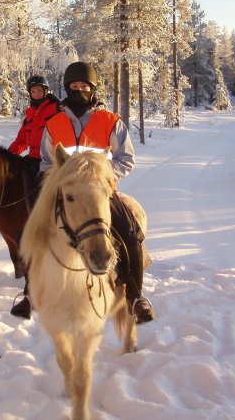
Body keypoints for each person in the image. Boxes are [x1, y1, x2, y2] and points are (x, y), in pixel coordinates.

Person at [39, 61, 155, 325]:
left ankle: (136, 296)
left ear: (92, 89)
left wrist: (101, 177)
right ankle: (33, 288)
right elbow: (46, 162)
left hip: (102, 191)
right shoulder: (54, 122)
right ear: (67, 88)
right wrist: (60, 181)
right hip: (67, 192)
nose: (79, 90)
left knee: (130, 229)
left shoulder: (110, 121)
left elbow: (126, 157)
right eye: (74, 86)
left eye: (84, 86)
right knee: (34, 226)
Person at [8, 75, 60, 319]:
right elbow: (22, 138)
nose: (36, 93)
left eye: (40, 90)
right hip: (31, 159)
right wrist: (9, 157)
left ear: (46, 91)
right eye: (33, 91)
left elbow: (61, 135)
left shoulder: (55, 109)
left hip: (49, 161)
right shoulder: (30, 112)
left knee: (41, 194)